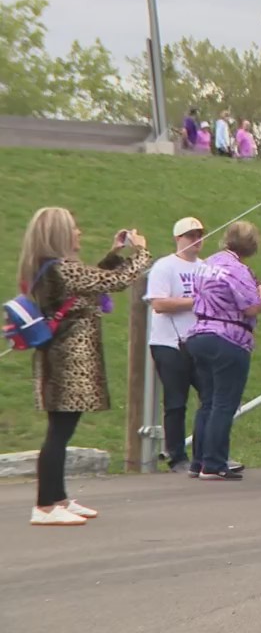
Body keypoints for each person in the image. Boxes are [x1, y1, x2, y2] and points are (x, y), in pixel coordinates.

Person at [19, 208, 151, 525]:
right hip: (68, 363)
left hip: (64, 360)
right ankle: (44, 506)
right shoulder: (62, 270)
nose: (79, 233)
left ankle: (57, 498)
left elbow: (94, 282)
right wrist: (142, 252)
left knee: (61, 431)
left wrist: (114, 253)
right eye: (74, 229)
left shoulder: (56, 270)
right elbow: (116, 281)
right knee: (59, 433)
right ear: (60, 235)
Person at [186, 221, 261, 481]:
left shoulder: (205, 264)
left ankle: (198, 460)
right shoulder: (238, 270)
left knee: (207, 401)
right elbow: (251, 307)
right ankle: (214, 463)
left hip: (199, 334)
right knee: (224, 402)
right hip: (229, 338)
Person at [145, 217, 205, 473]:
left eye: (199, 235)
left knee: (212, 397)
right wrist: (196, 302)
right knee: (176, 402)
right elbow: (158, 303)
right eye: (190, 235)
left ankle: (207, 454)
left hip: (200, 342)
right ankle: (177, 456)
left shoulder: (206, 267)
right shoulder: (165, 267)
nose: (196, 240)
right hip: (169, 343)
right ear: (178, 238)